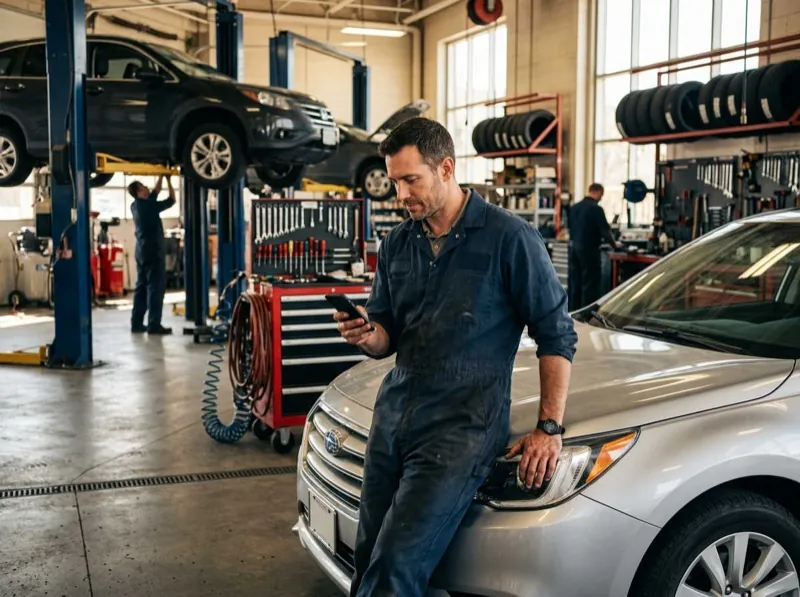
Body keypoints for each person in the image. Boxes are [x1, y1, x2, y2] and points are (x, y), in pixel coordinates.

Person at [333, 117, 578, 597]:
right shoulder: (398, 243)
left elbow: (556, 334)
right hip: (395, 417)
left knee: (396, 568)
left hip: (461, 429)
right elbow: (388, 336)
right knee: (369, 558)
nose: (401, 194)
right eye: (395, 181)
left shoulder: (509, 239)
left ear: (445, 168)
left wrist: (549, 428)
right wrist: (366, 334)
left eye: (411, 180)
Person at [128, 175, 175, 335]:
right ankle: (154, 324)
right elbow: (171, 200)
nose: (147, 189)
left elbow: (155, 191)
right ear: (138, 192)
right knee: (156, 288)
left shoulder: (135, 206)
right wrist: (169, 180)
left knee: (141, 287)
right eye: (143, 187)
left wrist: (162, 176)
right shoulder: (149, 206)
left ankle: (136, 323)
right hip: (154, 252)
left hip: (141, 252)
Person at [567, 182, 620, 311]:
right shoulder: (596, 209)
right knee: (589, 284)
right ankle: (587, 314)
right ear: (596, 192)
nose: (601, 198)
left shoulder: (574, 208)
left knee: (575, 284)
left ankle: (572, 314)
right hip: (589, 251)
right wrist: (615, 245)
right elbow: (605, 232)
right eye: (601, 195)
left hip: (573, 250)